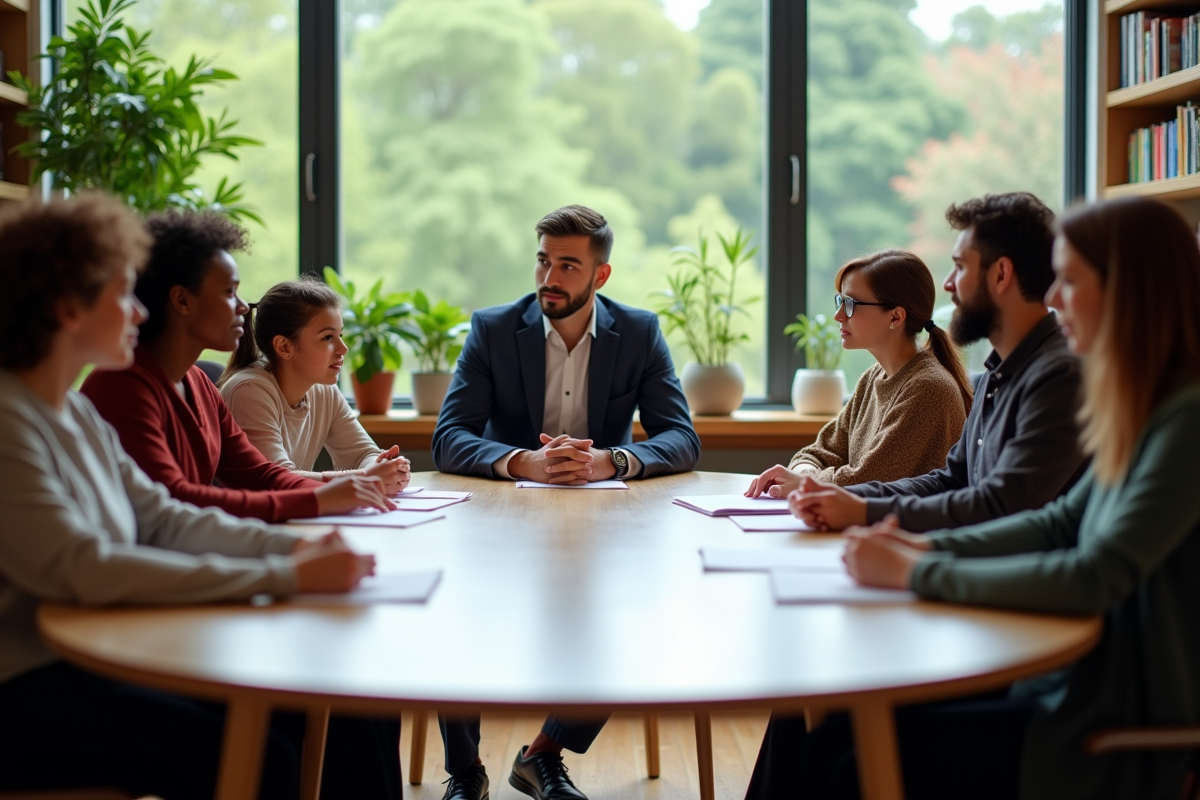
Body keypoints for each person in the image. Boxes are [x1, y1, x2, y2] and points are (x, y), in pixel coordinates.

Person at [747, 196, 1200, 800]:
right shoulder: (1142, 409)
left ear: (1128, 290)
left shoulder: (1185, 419)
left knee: (842, 756)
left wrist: (920, 569)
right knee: (816, 718)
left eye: (1070, 281)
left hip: (1100, 712)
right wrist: (908, 544)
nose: (1056, 297)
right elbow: (1058, 522)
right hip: (1063, 675)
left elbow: (1095, 570)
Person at [0, 193, 401, 799]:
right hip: (30, 685)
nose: (138, 313)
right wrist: (285, 573)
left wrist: (297, 551)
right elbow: (85, 567)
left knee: (335, 699)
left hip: (97, 652)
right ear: (68, 310)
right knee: (265, 742)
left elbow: (163, 517)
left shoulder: (72, 414)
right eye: (121, 295)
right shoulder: (11, 420)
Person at [430, 205, 700, 800]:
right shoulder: (494, 329)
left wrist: (614, 459)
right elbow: (448, 437)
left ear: (600, 277)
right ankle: (466, 770)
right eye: (543, 260)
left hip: (601, 525)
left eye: (567, 265)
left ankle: (543, 755)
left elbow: (682, 437)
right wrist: (519, 460)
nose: (549, 276)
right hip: (502, 519)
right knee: (457, 606)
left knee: (635, 611)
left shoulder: (640, 332)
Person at [791, 192, 1087, 533]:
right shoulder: (997, 375)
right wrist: (857, 504)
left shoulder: (1059, 377)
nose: (947, 284)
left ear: (1001, 274)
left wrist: (888, 534)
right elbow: (952, 479)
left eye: (960, 267)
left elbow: (1001, 506)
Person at [81, 209, 393, 523]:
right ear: (182, 301)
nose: (244, 307)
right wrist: (319, 498)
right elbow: (177, 501)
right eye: (229, 292)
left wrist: (332, 490)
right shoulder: (122, 386)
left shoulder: (199, 383)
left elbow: (259, 474)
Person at [746, 249, 972, 498]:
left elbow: (866, 481)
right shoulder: (872, 378)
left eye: (851, 304)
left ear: (896, 317)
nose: (838, 315)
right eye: (840, 301)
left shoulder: (929, 389)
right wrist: (803, 474)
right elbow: (818, 452)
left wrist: (803, 481)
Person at [219, 276, 411, 493]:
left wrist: (383, 466)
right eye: (328, 338)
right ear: (284, 347)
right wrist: (365, 477)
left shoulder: (323, 389)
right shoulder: (249, 391)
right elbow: (276, 480)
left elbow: (362, 455)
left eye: (340, 334)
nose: (343, 348)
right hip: (247, 522)